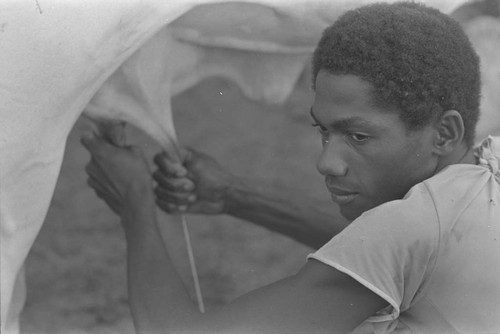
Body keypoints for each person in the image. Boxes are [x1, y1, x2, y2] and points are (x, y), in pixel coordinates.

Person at [81, 2, 500, 333]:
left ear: (444, 132)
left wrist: (135, 206)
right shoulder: (487, 169)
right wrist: (234, 196)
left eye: (358, 137)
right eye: (323, 132)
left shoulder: (405, 229)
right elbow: (405, 252)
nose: (327, 162)